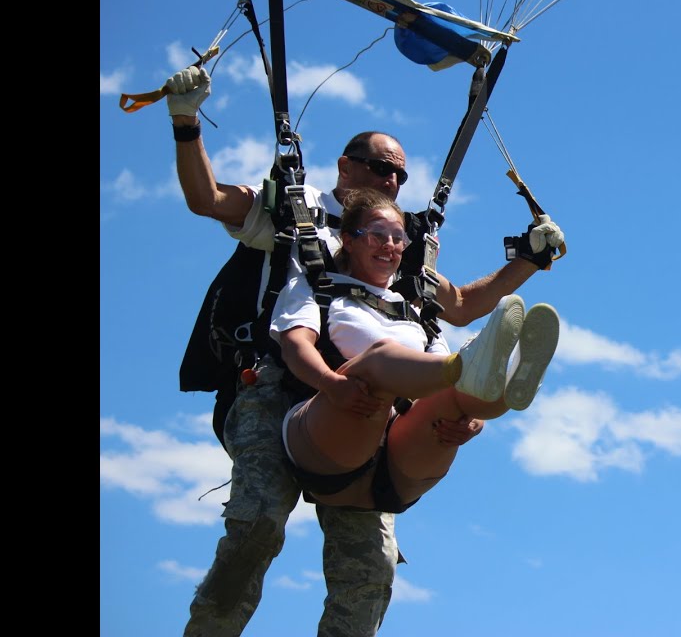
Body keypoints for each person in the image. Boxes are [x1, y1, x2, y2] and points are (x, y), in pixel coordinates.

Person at [166, 64, 564, 637]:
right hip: (280, 385)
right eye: (381, 168)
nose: (393, 183)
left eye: (401, 175)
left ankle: (477, 380)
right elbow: (206, 198)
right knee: (257, 526)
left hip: (372, 406)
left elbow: (459, 305)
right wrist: (186, 122)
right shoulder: (291, 211)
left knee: (370, 567)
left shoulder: (397, 242)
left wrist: (528, 259)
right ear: (346, 167)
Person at [273, 189, 559, 516]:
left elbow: (460, 315)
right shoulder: (319, 286)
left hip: (399, 468)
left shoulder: (414, 307)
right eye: (378, 234)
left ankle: (510, 386)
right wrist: (331, 383)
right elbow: (295, 345)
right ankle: (468, 367)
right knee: (380, 360)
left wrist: (472, 423)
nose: (390, 245)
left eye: (398, 238)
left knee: (455, 391)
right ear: (349, 240)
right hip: (329, 443)